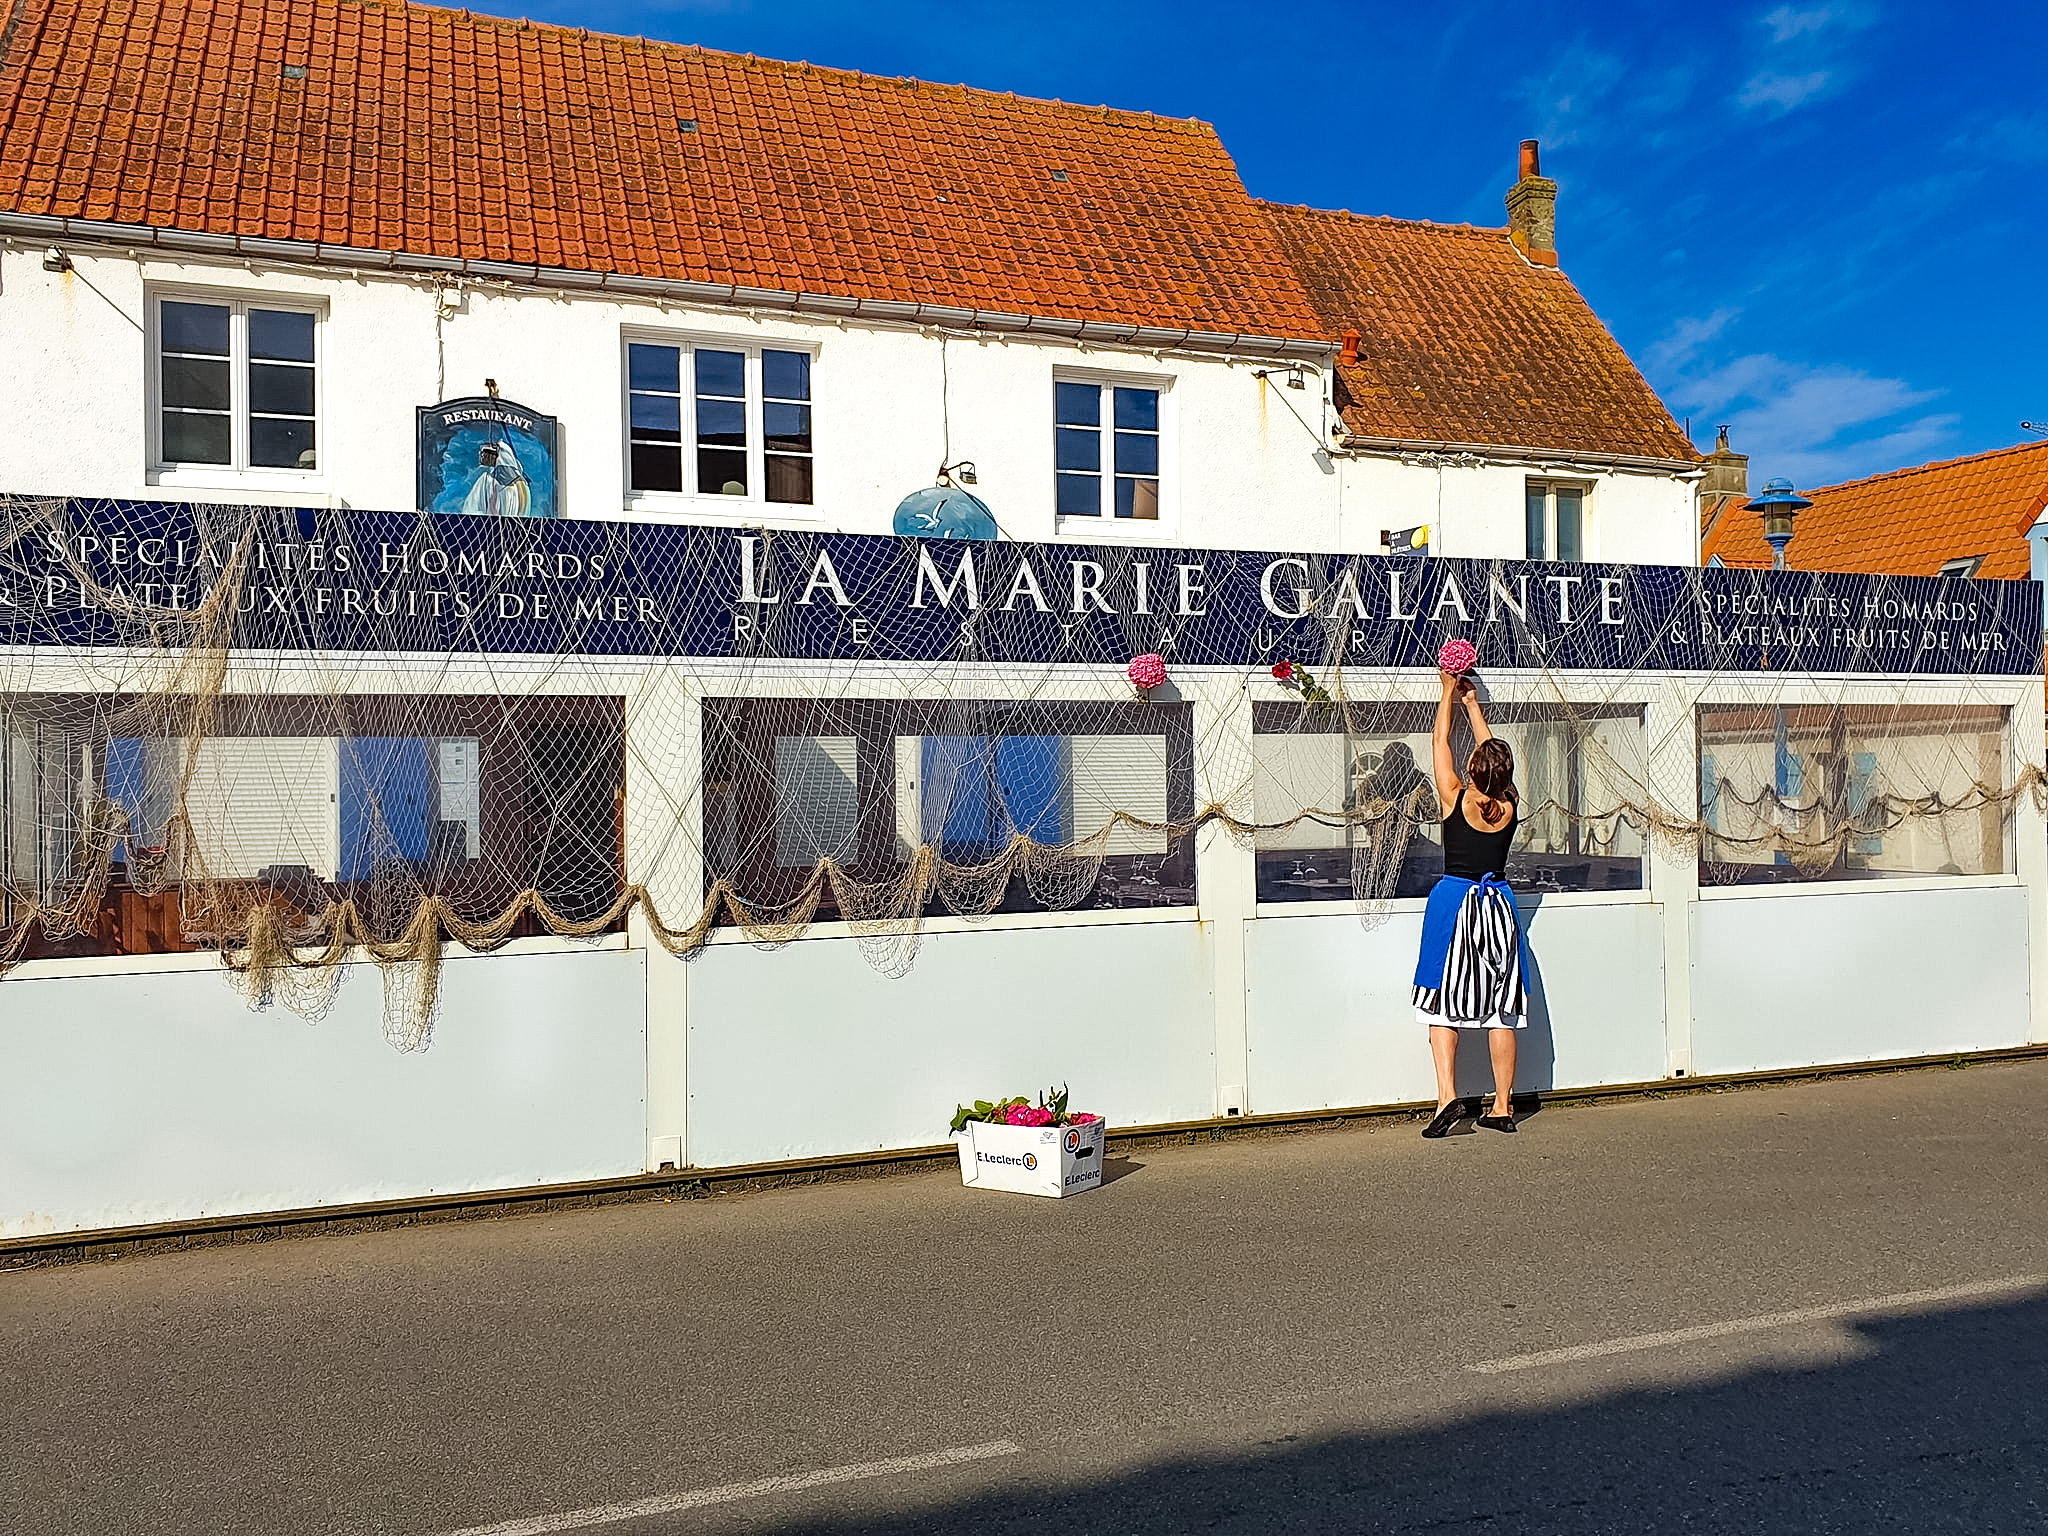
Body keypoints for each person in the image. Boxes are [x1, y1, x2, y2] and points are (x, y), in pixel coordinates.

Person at [1415, 667, 1526, 1138]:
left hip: (1454, 904)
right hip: (1497, 904)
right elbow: (1492, 757)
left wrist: (1447, 693)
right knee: (1501, 1010)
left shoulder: (1454, 797)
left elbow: (1439, 741)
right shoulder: (1511, 804)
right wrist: (1474, 705)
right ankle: (1502, 1107)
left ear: (1475, 769)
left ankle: (1447, 1099)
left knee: (1441, 1003)